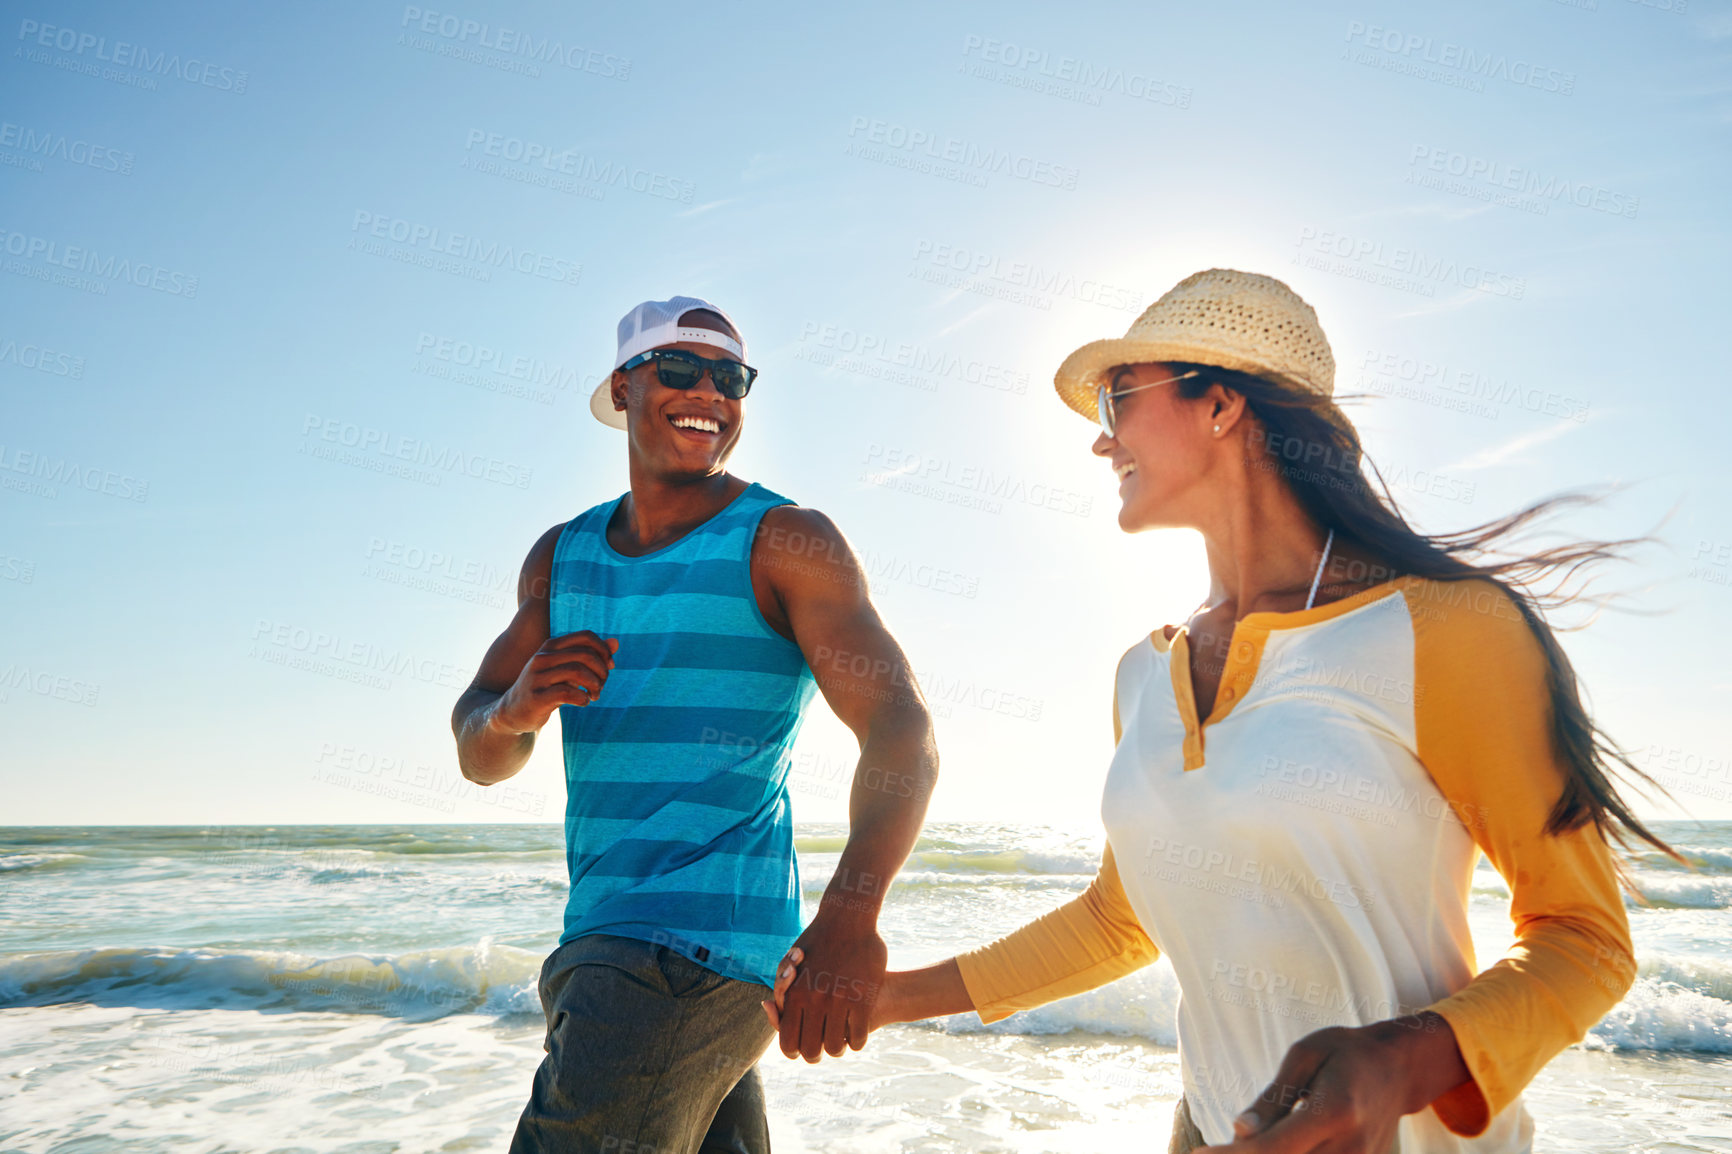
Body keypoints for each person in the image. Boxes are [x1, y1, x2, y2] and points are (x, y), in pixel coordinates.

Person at [767, 269, 1675, 1153]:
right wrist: (887, 1000)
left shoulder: (1443, 629)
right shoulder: (1141, 675)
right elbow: (1118, 922)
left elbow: (1584, 939)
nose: (1099, 441)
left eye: (1118, 399)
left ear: (1222, 404)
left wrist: (1395, 1067)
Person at [453, 295, 938, 1153]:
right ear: (623, 387)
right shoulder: (562, 557)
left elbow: (903, 731)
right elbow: (479, 752)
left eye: (731, 377)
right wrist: (518, 706)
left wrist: (850, 916)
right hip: (612, 942)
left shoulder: (788, 540)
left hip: (687, 958)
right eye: (679, 368)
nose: (708, 391)